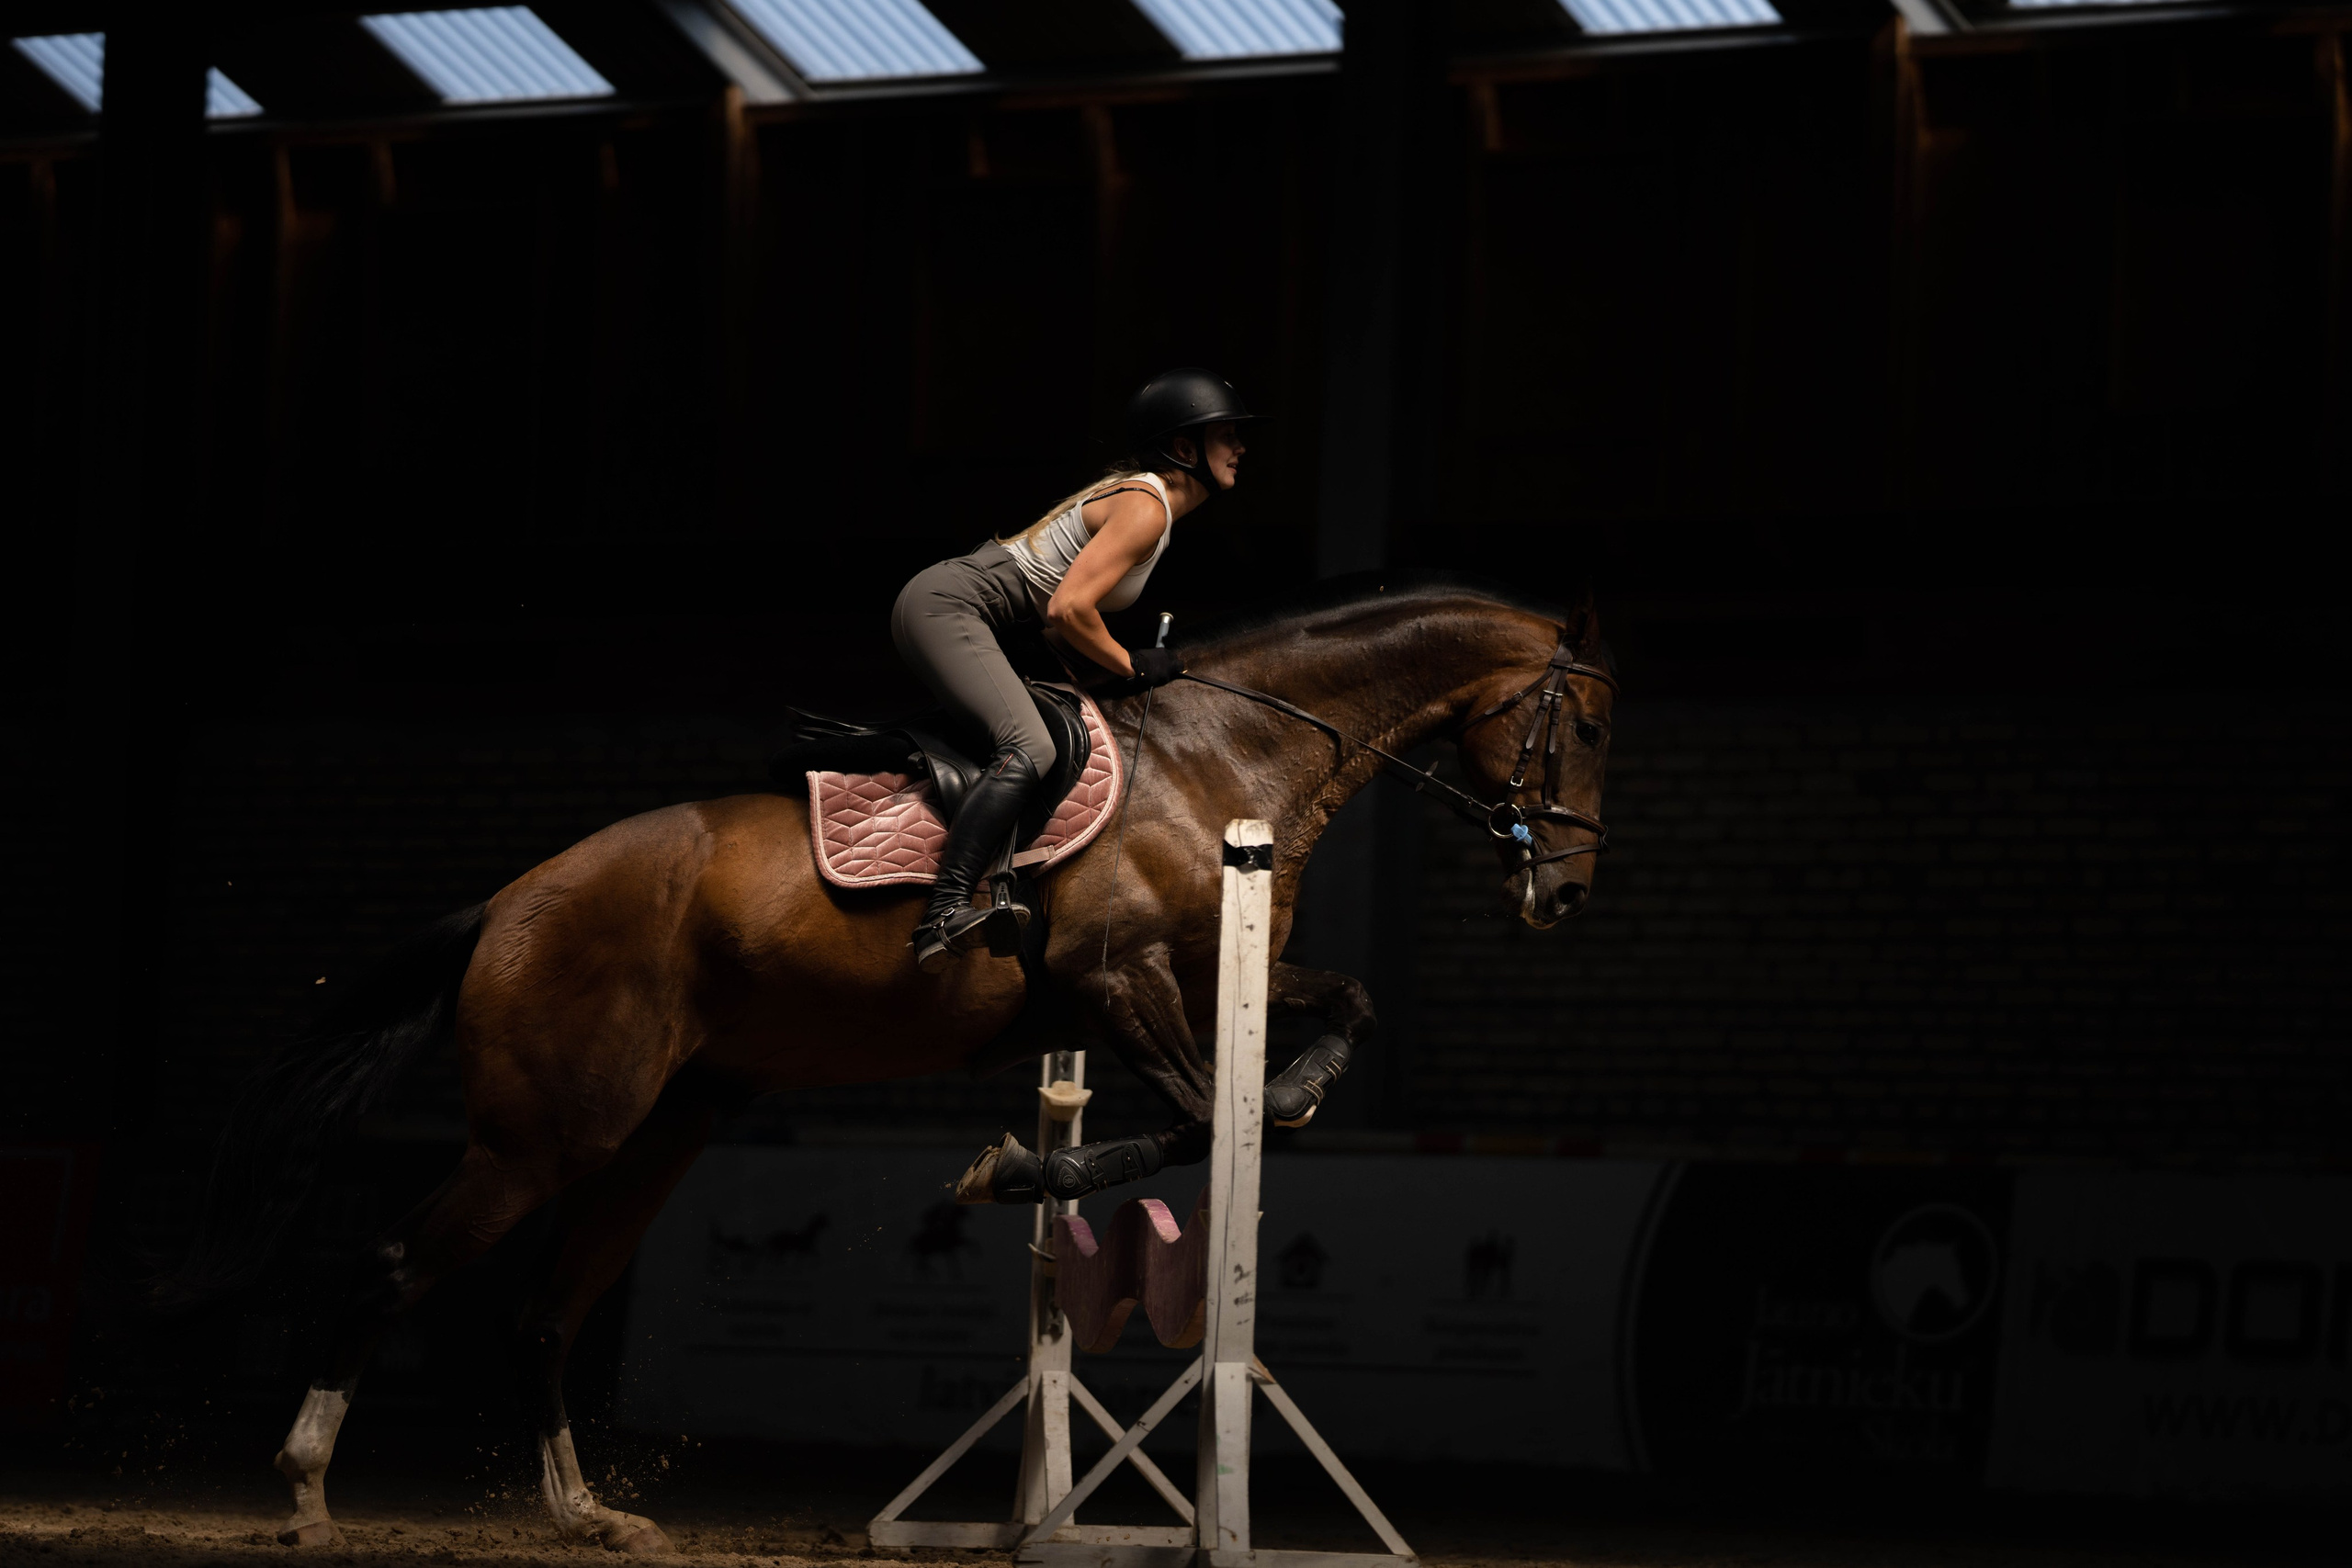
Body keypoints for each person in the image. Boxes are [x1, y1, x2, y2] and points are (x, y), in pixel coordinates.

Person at [891, 367, 1261, 973]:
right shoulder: (1147, 508)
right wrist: (1132, 664)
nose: (1240, 447)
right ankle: (944, 909)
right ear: (1184, 448)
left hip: (972, 612)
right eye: (1227, 435)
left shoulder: (1146, 502)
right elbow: (1068, 609)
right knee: (1030, 744)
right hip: (950, 606)